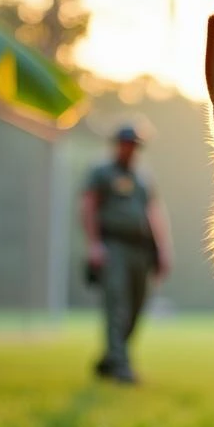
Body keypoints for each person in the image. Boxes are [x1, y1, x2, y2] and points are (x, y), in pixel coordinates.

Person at [80, 123, 172, 384]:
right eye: (126, 143)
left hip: (141, 249)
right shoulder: (101, 172)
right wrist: (94, 244)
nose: (130, 149)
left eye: (135, 145)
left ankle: (109, 360)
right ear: (117, 144)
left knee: (136, 306)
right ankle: (121, 367)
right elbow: (88, 206)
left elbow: (154, 212)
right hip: (114, 246)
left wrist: (163, 249)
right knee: (117, 305)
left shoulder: (143, 177)